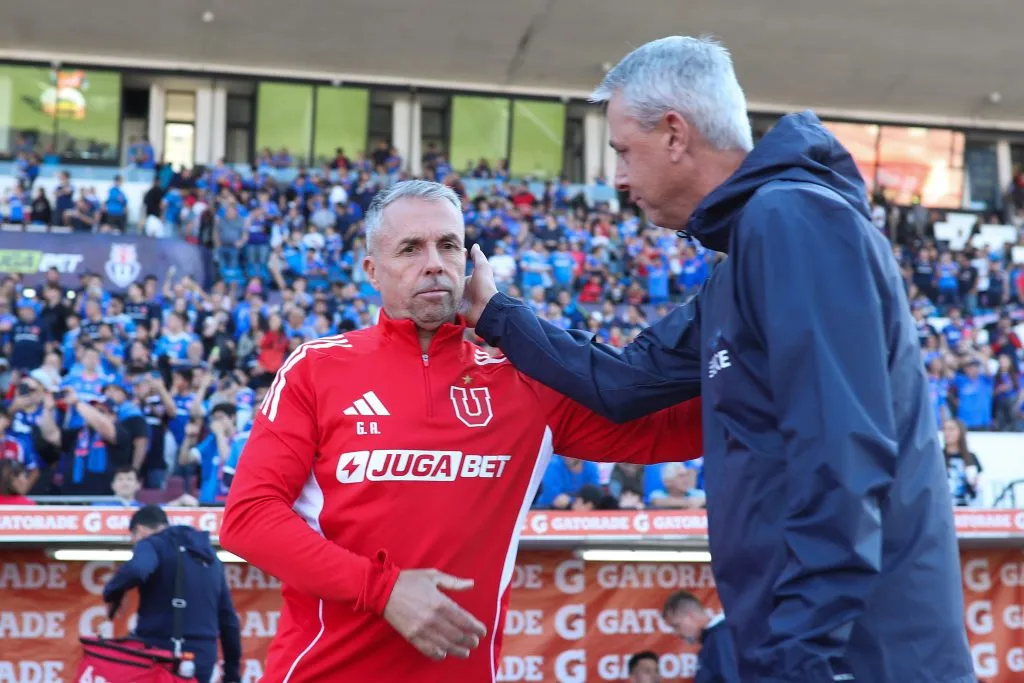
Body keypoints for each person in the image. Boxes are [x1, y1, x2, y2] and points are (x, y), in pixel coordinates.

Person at [464, 36, 973, 683]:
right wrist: (495, 314)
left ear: (676, 134)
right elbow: (625, 381)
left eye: (623, 151)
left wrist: (796, 657)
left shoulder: (794, 222)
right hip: (802, 647)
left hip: (859, 658)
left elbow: (843, 461)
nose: (617, 178)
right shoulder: (744, 257)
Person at [220, 180, 704, 682]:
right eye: (410, 248)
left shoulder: (526, 381)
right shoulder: (317, 368)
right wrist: (381, 590)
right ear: (371, 272)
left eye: (448, 245)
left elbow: (676, 428)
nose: (434, 262)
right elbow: (248, 518)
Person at [102, 505, 241, 683]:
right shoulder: (210, 555)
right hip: (202, 658)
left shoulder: (152, 543)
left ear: (140, 530)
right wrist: (232, 674)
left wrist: (112, 593)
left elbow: (138, 569)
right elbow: (228, 620)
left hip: (159, 653)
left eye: (133, 539)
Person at [662, 591, 738, 683]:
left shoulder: (721, 637)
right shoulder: (711, 640)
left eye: (676, 626)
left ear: (691, 615)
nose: (676, 633)